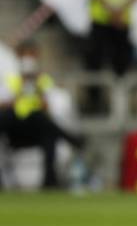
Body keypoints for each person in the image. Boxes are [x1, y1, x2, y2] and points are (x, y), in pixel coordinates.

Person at [0, 41, 82, 188]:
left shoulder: (44, 81)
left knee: (42, 121)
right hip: (14, 128)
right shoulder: (11, 81)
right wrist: (16, 97)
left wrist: (40, 95)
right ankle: (70, 138)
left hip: (36, 128)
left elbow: (53, 107)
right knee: (8, 116)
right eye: (24, 55)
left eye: (31, 55)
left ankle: (49, 180)